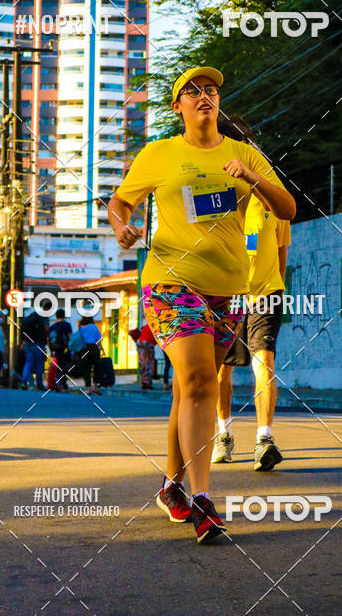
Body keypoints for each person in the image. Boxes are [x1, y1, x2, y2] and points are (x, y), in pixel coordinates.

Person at [108, 66, 296, 543]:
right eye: (192, 92)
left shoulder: (244, 154)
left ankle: (171, 485)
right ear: (178, 107)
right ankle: (203, 501)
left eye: (210, 89)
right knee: (197, 381)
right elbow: (120, 202)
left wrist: (252, 177)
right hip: (169, 281)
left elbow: (288, 210)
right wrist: (121, 227)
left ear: (218, 101)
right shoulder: (160, 153)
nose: (203, 96)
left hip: (226, 291)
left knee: (189, 390)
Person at [212, 116, 291, 471]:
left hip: (266, 292)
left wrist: (278, 286)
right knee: (221, 372)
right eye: (241, 142)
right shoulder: (217, 194)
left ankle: (264, 439)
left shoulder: (272, 194)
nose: (249, 148)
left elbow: (282, 247)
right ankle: (224, 434)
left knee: (265, 362)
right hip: (225, 293)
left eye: (250, 141)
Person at [20, 310, 47, 391]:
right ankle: (39, 383)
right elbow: (45, 331)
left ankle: (23, 382)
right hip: (39, 344)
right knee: (39, 364)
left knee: (28, 363)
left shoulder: (27, 319)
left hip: (28, 344)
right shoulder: (41, 319)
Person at [48, 308, 73, 391]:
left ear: (56, 316)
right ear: (64, 316)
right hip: (65, 349)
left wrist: (51, 350)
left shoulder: (52, 327)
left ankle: (62, 383)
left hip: (55, 349)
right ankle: (59, 379)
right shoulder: (67, 325)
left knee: (60, 366)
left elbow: (48, 339)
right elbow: (70, 337)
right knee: (67, 366)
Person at [78, 315, 102, 395]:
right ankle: (95, 387)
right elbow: (99, 339)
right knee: (96, 368)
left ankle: (88, 389)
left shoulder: (80, 328)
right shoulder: (94, 327)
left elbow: (79, 339)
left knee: (86, 369)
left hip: (84, 348)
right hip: (93, 348)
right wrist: (100, 348)